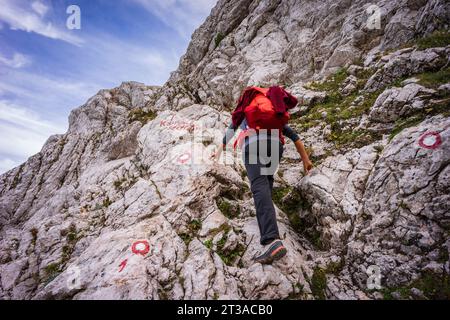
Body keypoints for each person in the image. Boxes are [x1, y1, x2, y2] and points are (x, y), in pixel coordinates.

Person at [212, 87, 313, 265]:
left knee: (259, 186)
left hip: (253, 145)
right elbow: (295, 137)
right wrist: (306, 161)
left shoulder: (246, 113)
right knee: (265, 184)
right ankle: (270, 222)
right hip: (275, 146)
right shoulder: (273, 116)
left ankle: (272, 240)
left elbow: (230, 131)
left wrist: (217, 153)